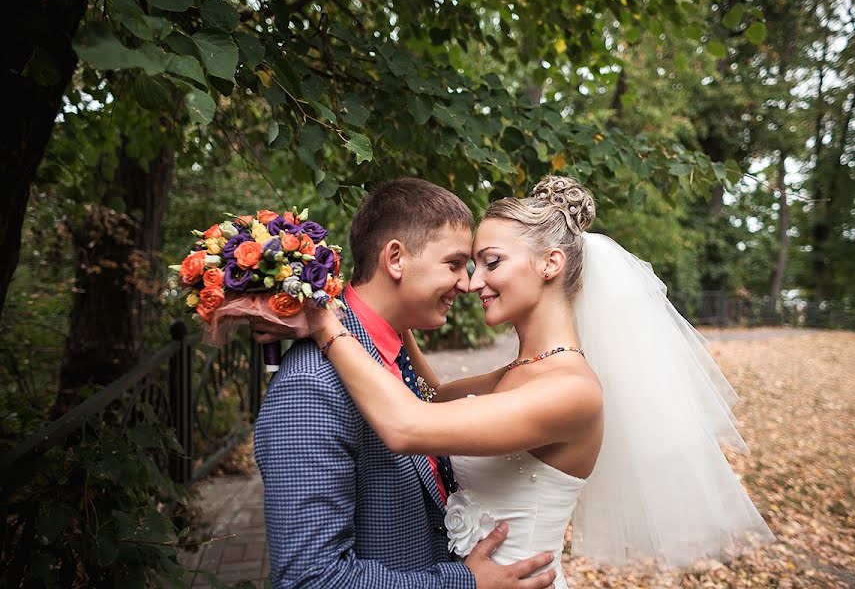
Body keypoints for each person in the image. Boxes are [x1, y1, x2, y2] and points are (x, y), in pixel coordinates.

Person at [281, 176, 775, 588]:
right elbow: (429, 398)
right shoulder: (519, 372)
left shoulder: (570, 390)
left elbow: (409, 423)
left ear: (550, 265)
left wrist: (326, 322)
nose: (473, 283)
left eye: (490, 263)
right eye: (467, 266)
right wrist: (392, 321)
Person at [252, 177, 558, 589]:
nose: (467, 284)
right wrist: (462, 583)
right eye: (453, 264)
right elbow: (312, 579)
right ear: (395, 258)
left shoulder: (387, 352)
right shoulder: (311, 385)